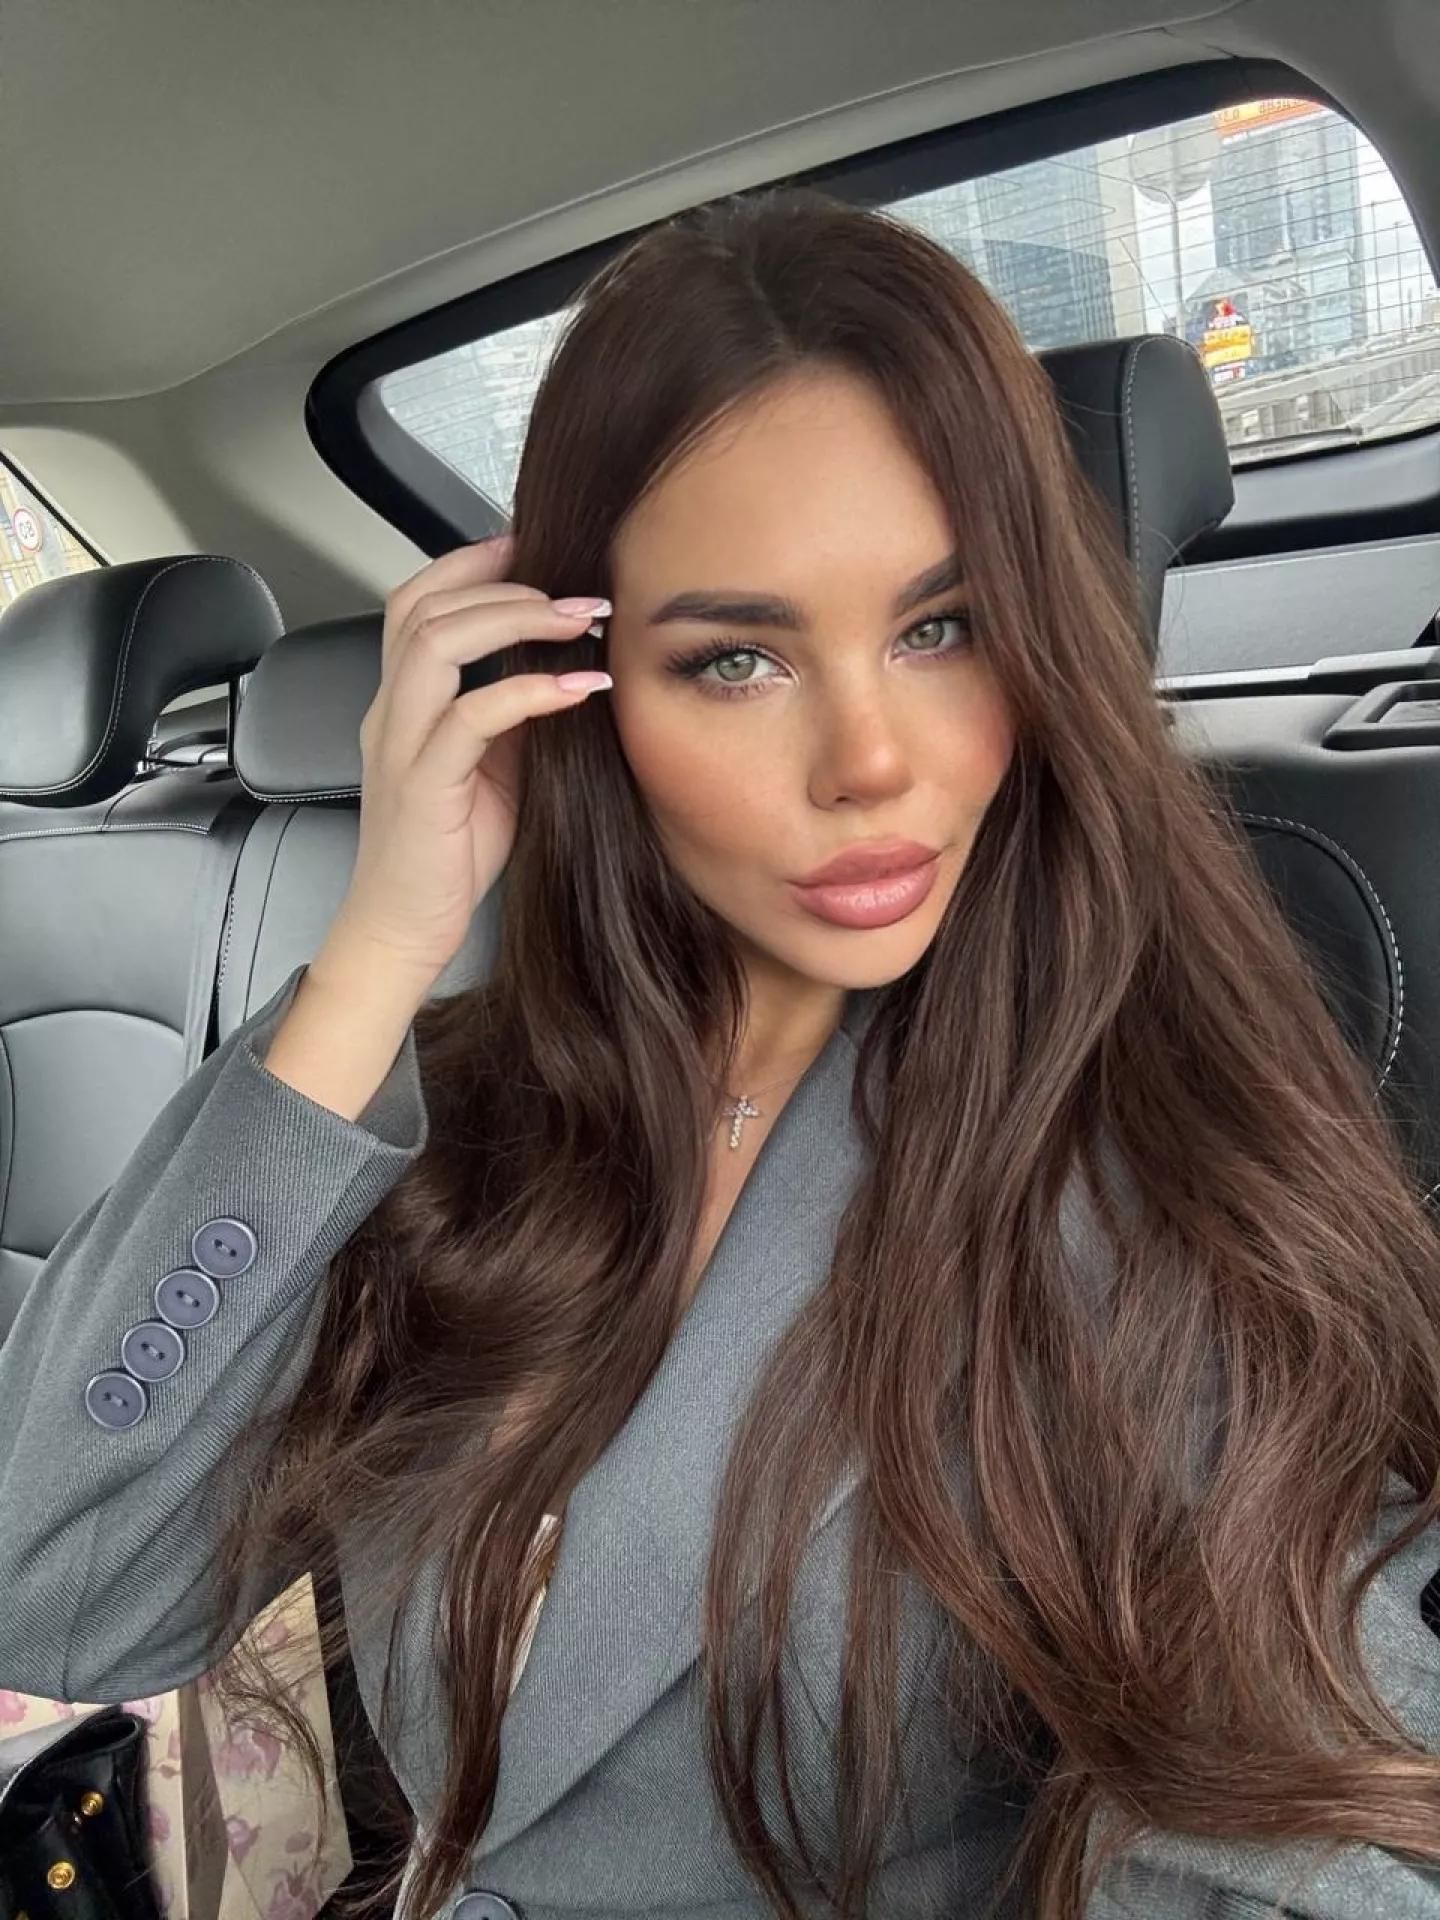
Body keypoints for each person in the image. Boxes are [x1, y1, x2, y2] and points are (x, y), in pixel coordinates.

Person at [2, 186, 1440, 1920]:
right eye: (738, 658)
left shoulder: (1148, 1150)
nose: (871, 762)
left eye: (940, 627)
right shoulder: (468, 1114)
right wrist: (382, 939)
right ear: (584, 681)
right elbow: (62, 1586)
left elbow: (1318, 1793)